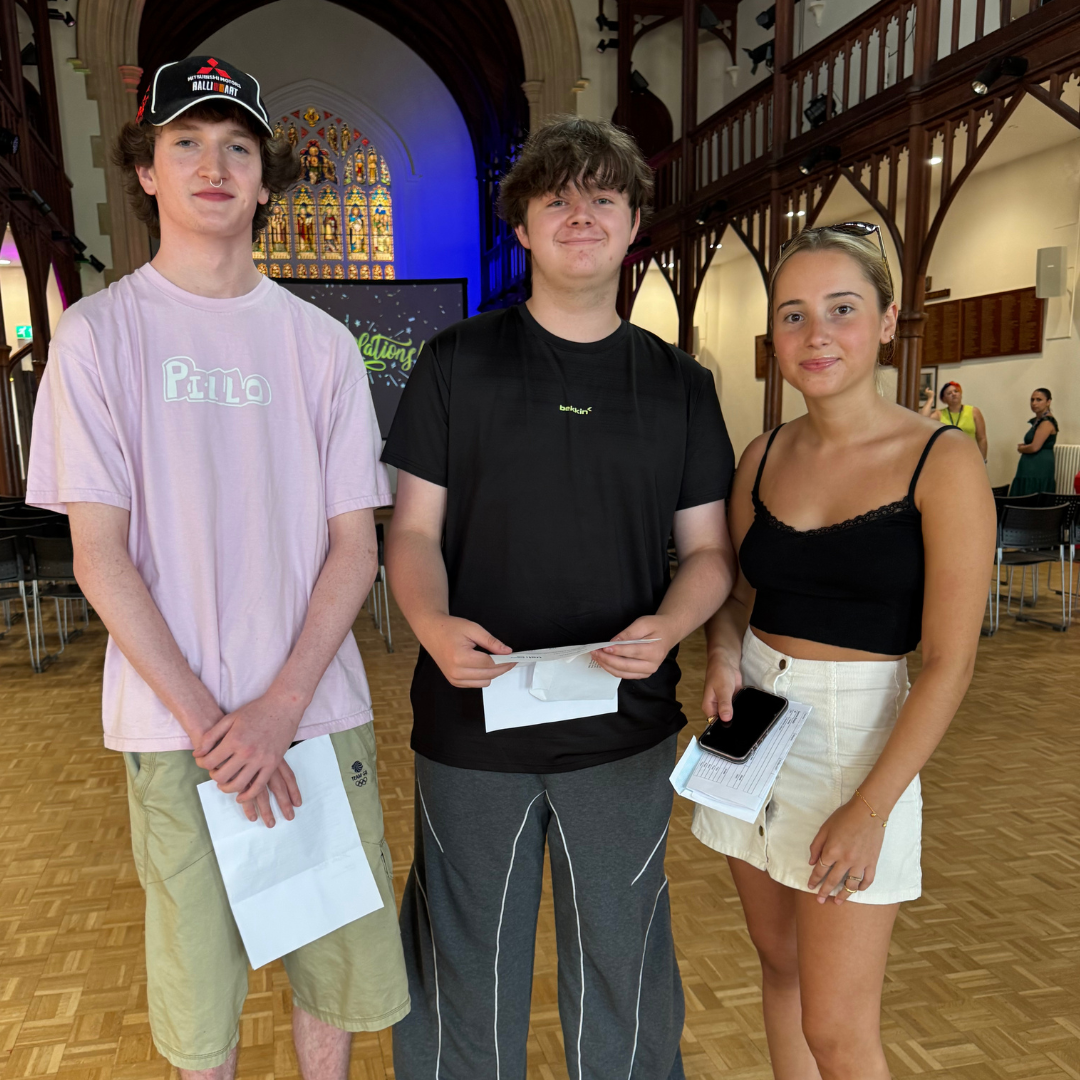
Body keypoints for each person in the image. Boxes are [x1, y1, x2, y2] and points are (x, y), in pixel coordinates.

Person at [25, 57, 408, 1080]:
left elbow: (355, 545)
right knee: (203, 1003)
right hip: (171, 722)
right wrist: (215, 726)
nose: (213, 165)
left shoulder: (321, 345)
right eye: (186, 142)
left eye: (238, 146)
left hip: (313, 713)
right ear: (146, 170)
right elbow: (99, 553)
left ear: (265, 181)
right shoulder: (98, 336)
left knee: (333, 977)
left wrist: (279, 709)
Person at [381, 116, 738, 1079]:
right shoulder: (456, 361)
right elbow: (411, 533)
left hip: (622, 724)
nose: (581, 214)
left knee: (624, 959)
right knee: (464, 960)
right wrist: (431, 624)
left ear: (634, 225)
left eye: (604, 197)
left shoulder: (680, 385)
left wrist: (671, 624)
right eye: (558, 198)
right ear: (523, 227)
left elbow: (709, 552)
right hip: (471, 720)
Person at [690, 223, 994, 1079]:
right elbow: (737, 598)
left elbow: (950, 663)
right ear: (773, 338)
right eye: (793, 315)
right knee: (778, 964)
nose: (816, 334)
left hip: (858, 740)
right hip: (753, 717)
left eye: (842, 309)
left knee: (837, 1028)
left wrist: (871, 809)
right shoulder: (761, 456)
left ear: (888, 320)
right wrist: (721, 656)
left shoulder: (942, 461)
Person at [920, 379, 987, 461]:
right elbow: (922, 419)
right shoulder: (940, 414)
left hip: (970, 457)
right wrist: (930, 398)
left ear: (961, 394)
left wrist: (983, 460)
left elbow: (982, 439)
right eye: (949, 393)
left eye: (956, 391)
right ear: (944, 399)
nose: (953, 394)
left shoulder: (974, 411)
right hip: (946, 458)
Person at [1009, 387, 1059, 495]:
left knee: (1033, 493)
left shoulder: (1046, 422)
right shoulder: (1038, 421)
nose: (1034, 403)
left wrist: (1021, 448)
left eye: (1038, 400)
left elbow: (1034, 447)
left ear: (1048, 402)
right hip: (1030, 464)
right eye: (1032, 400)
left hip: (1038, 465)